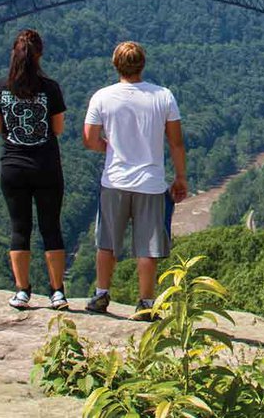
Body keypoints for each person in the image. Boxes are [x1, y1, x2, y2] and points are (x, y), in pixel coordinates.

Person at [82, 41, 188, 319]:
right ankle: (146, 303)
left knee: (107, 242)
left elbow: (89, 139)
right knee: (148, 247)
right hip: (151, 183)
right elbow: (176, 142)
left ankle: (101, 295)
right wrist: (180, 177)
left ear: (116, 65)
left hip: (114, 180)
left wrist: (108, 147)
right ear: (142, 64)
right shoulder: (163, 96)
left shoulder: (102, 97)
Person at [0, 29, 69, 311]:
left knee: (19, 228)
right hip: (46, 165)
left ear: (14, 54)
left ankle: (22, 291)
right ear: (40, 55)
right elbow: (57, 129)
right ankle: (57, 292)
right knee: (51, 228)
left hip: (13, 165)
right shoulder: (51, 88)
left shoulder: (0, 88)